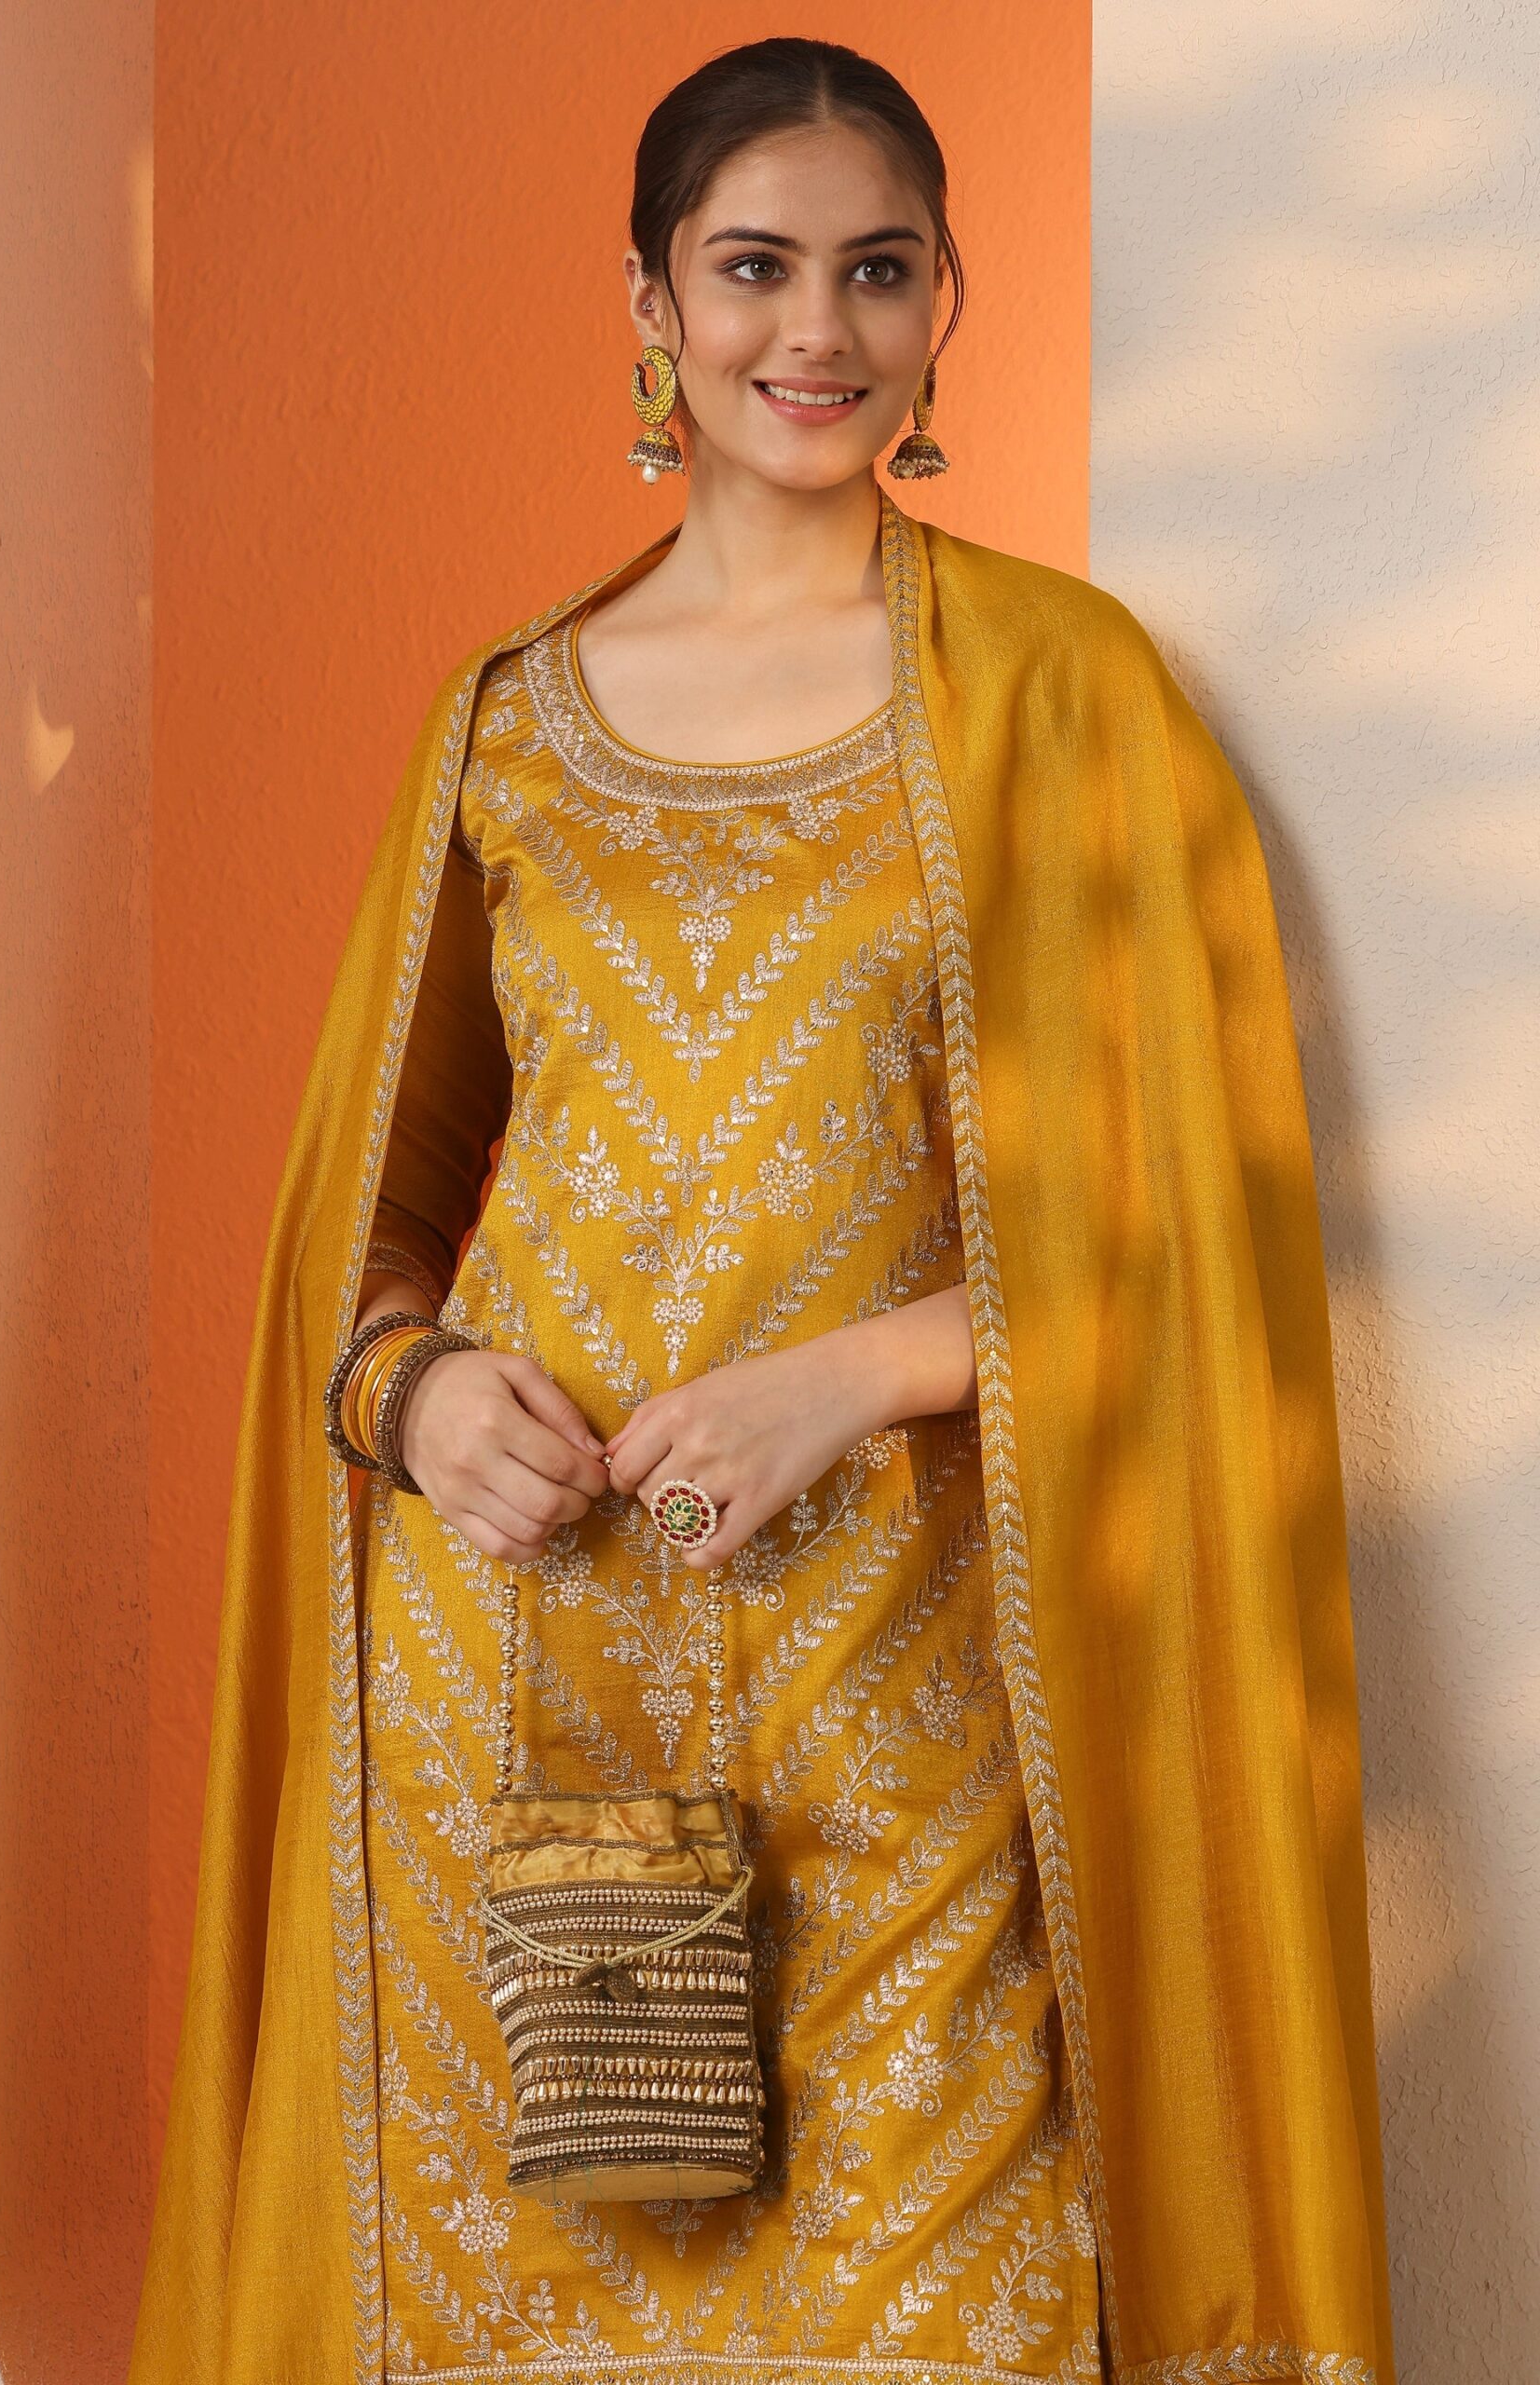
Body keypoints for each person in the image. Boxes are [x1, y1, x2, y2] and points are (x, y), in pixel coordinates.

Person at [129, 37, 1397, 2385]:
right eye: (754, 268)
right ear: (651, 303)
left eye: (878, 270)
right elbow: (366, 1227)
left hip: (902, 1675)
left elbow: (1185, 1244)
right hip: (525, 1657)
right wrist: (419, 1403)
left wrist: (858, 1373)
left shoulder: (1058, 696)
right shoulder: (506, 720)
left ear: (945, 302)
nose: (817, 328)